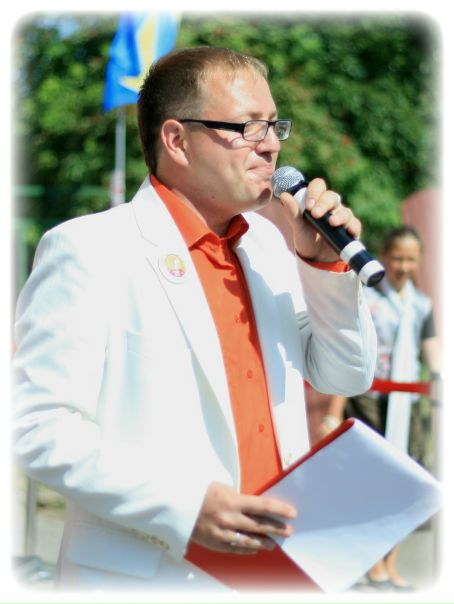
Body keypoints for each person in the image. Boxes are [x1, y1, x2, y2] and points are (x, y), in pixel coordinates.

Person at [12, 46, 376, 592]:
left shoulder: (271, 248)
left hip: (279, 570)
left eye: (275, 125)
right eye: (249, 127)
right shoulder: (89, 249)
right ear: (177, 140)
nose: (271, 144)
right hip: (151, 576)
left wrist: (324, 265)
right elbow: (36, 425)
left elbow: (347, 376)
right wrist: (182, 507)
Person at [318, 225, 441, 592]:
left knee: (403, 484)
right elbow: (351, 355)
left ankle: (389, 564)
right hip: (368, 401)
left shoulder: (421, 304)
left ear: (419, 261)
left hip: (406, 403)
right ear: (384, 257)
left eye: (411, 259)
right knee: (369, 482)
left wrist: (439, 374)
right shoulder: (367, 297)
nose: (403, 266)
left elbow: (430, 347)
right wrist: (333, 412)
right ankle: (371, 563)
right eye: (397, 258)